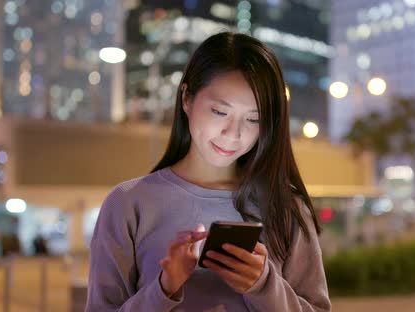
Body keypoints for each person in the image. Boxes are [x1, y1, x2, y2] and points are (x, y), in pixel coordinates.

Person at [86, 32, 331, 311]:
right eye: (219, 112)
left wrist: (264, 286)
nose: (234, 133)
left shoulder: (286, 207)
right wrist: (164, 288)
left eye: (254, 119)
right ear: (187, 99)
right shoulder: (128, 203)